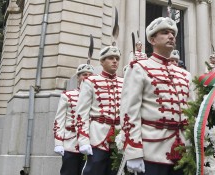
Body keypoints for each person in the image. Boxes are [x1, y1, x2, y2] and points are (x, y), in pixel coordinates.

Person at [120, 17, 193, 175]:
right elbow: (129, 112)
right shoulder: (139, 68)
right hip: (151, 151)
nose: (171, 36)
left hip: (183, 151)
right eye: (165, 33)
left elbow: (191, 113)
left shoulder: (185, 75)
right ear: (152, 39)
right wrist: (133, 151)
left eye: (173, 33)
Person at [76, 46, 123, 175]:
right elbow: (81, 113)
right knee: (94, 171)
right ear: (102, 61)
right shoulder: (90, 82)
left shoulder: (124, 82)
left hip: (119, 137)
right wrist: (83, 140)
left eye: (117, 58)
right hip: (97, 136)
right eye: (110, 58)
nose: (115, 61)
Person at [53, 64, 94, 175]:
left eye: (90, 75)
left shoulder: (96, 97)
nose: (87, 77)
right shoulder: (67, 96)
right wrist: (58, 143)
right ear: (78, 77)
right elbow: (59, 120)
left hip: (91, 142)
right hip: (71, 143)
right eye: (84, 75)